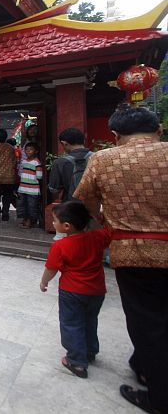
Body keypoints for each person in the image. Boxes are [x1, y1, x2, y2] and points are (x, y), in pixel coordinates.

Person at [73, 105, 167, 413]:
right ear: (159, 130)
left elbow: (84, 197)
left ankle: (158, 395)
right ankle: (143, 364)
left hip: (133, 252)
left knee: (147, 322)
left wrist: (106, 219)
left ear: (115, 136)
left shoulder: (103, 159)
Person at [40, 201, 112, 379]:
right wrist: (102, 216)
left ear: (66, 226)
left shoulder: (60, 246)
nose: (53, 223)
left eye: (55, 220)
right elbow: (111, 230)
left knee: (72, 323)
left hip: (72, 292)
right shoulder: (97, 237)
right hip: (96, 291)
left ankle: (77, 362)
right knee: (90, 320)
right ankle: (89, 352)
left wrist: (44, 282)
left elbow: (51, 268)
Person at [48, 128, 92, 202]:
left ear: (64, 143)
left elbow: (54, 190)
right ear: (83, 140)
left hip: (70, 207)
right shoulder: (97, 157)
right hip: (95, 207)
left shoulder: (60, 162)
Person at [17, 142, 43, 229]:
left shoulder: (37, 162)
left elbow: (39, 176)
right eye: (26, 150)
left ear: (36, 151)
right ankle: (25, 219)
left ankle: (30, 222)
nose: (28, 151)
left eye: (30, 150)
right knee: (23, 205)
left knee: (31, 206)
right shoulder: (24, 161)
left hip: (32, 189)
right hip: (23, 188)